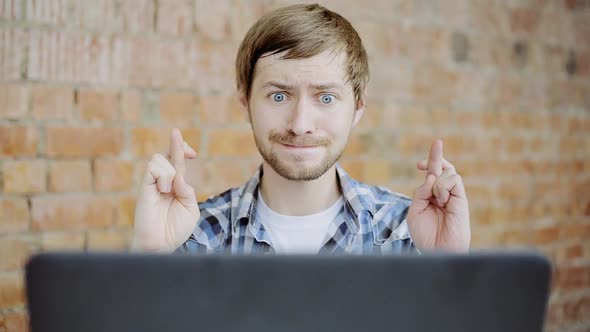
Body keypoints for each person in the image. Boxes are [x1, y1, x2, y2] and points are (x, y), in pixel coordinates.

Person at [131, 4, 471, 255]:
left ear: (359, 107)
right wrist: (150, 256)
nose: (300, 124)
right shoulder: (194, 237)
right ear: (245, 102)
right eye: (279, 95)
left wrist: (450, 269)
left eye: (325, 97)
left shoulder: (406, 233)